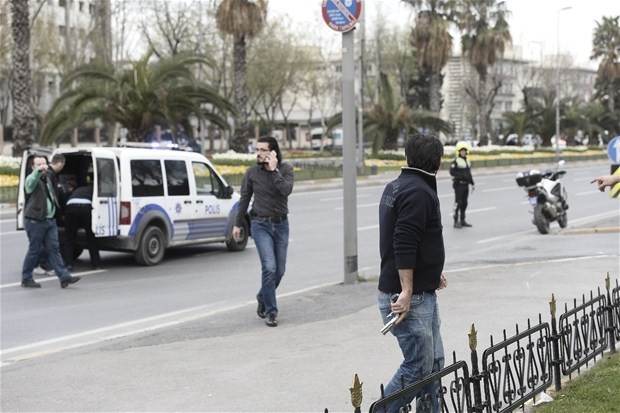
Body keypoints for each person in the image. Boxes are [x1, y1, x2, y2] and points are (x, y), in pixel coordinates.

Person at [378, 133, 448, 413]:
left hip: (420, 290)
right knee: (419, 367)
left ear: (408, 158)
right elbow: (404, 243)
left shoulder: (398, 186)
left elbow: (414, 240)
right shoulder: (419, 191)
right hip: (410, 298)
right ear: (438, 162)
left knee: (434, 363)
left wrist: (432, 273)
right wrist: (407, 290)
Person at [232, 136, 294, 327]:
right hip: (260, 225)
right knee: (269, 267)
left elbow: (286, 190)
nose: (258, 153)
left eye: (262, 149)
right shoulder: (251, 173)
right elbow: (244, 199)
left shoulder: (285, 170)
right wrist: (237, 224)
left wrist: (274, 170)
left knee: (280, 270)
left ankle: (262, 296)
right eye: (257, 149)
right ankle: (271, 312)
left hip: (281, 225)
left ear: (273, 151)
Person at [21, 155, 81, 289]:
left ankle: (64, 277)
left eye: (44, 164)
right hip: (36, 221)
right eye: (38, 165)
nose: (42, 167)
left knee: (54, 249)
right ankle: (26, 278)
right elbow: (30, 182)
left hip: (49, 220)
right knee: (35, 250)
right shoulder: (32, 180)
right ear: (33, 167)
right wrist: (37, 172)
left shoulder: (47, 178)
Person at [36, 154, 66, 272]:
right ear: (60, 163)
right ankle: (42, 265)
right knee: (47, 243)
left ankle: (50, 267)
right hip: (47, 215)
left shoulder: (50, 174)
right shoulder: (50, 174)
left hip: (49, 214)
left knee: (51, 244)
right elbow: (51, 195)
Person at [64, 183, 101, 270]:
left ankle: (68, 264)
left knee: (69, 238)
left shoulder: (80, 189)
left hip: (71, 206)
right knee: (91, 237)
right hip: (86, 207)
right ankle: (96, 264)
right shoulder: (95, 190)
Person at [450, 141, 475, 228]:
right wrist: (461, 176)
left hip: (466, 185)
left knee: (464, 203)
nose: (463, 152)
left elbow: (469, 173)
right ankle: (455, 221)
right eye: (462, 151)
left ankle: (463, 220)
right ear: (458, 151)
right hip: (459, 185)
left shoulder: (467, 161)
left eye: (464, 151)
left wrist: (472, 183)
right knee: (458, 203)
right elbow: (452, 172)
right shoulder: (456, 161)